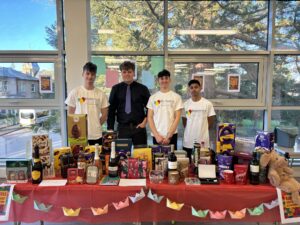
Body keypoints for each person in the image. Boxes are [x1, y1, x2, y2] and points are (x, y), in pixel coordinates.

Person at [65, 62, 109, 145]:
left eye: (92, 74)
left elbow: (104, 115)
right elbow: (71, 114)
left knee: (96, 157)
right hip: (79, 135)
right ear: (83, 74)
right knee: (79, 157)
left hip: (96, 135)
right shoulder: (75, 92)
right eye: (87, 73)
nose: (90, 77)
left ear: (95, 76)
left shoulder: (101, 94)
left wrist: (96, 124)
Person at [107, 61, 150, 146]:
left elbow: (150, 108)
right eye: (124, 72)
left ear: (134, 73)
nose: (127, 74)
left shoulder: (143, 89)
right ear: (121, 73)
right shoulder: (115, 89)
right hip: (122, 129)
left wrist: (144, 122)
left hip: (139, 128)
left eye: (129, 72)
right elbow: (111, 110)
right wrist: (110, 129)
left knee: (141, 155)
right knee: (122, 156)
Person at [147, 69, 183, 149]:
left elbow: (177, 117)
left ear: (169, 80)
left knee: (171, 160)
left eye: (166, 78)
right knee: (156, 159)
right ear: (158, 81)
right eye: (162, 78)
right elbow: (150, 117)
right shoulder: (153, 98)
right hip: (157, 136)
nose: (164, 80)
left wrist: (169, 136)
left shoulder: (176, 97)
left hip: (172, 135)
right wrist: (156, 135)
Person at [182, 79, 216, 161]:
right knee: (189, 166)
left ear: (200, 88)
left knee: (202, 164)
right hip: (188, 142)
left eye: (196, 87)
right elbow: (184, 122)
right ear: (189, 89)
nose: (194, 89)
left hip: (203, 142)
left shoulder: (207, 104)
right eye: (191, 87)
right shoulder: (185, 105)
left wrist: (203, 129)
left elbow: (210, 121)